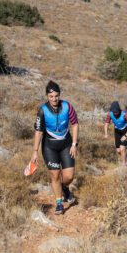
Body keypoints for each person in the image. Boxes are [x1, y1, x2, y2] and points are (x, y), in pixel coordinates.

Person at [31, 81, 78, 215]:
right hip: (49, 146)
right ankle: (59, 202)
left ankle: (65, 187)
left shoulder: (67, 106)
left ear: (59, 95)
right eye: (51, 96)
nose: (54, 99)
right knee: (55, 174)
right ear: (47, 96)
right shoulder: (43, 110)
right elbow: (39, 132)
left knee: (68, 176)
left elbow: (75, 124)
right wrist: (35, 152)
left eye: (56, 96)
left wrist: (74, 144)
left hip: (66, 144)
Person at [104, 101, 127, 166]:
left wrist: (126, 135)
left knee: (122, 148)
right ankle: (126, 158)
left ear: (119, 110)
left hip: (125, 130)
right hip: (117, 131)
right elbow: (106, 124)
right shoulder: (110, 114)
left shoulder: (124, 114)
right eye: (114, 112)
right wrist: (106, 133)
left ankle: (124, 165)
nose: (115, 113)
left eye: (116, 112)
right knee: (119, 150)